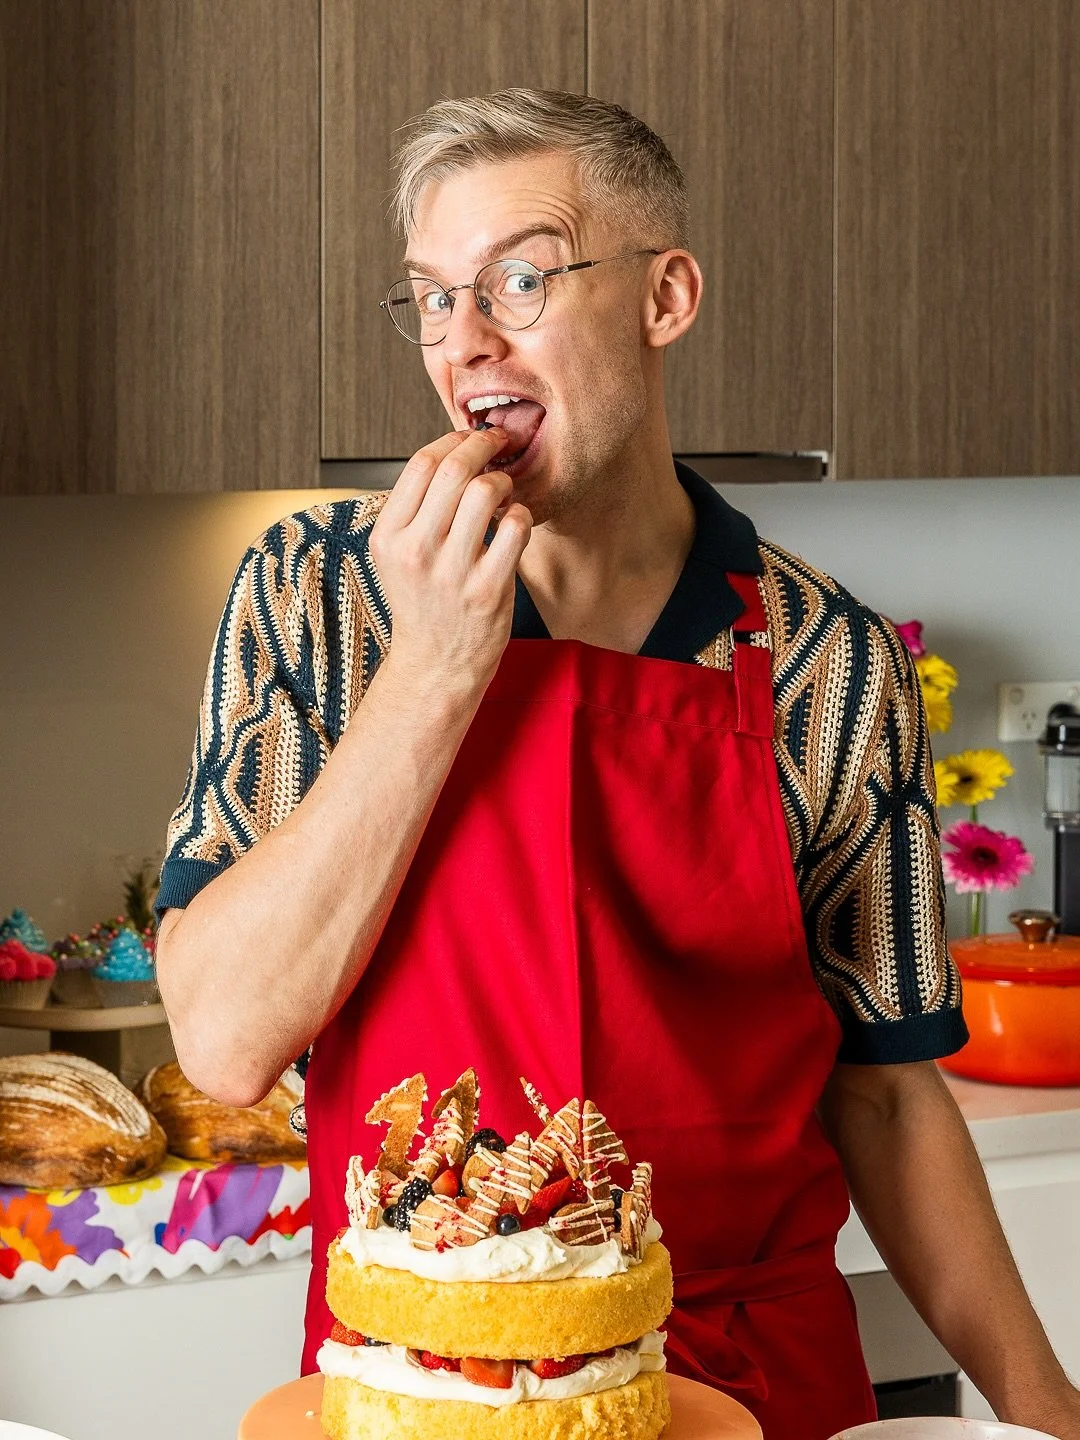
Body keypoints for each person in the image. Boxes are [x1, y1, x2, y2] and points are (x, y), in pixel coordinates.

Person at [155, 89, 1080, 1439]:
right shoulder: (316, 601)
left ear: (666, 296)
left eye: (517, 280)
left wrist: (1044, 1405)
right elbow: (227, 1042)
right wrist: (430, 670)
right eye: (428, 297)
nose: (461, 341)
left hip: (755, 1382)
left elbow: (885, 1092)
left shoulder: (829, 656)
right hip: (430, 1389)